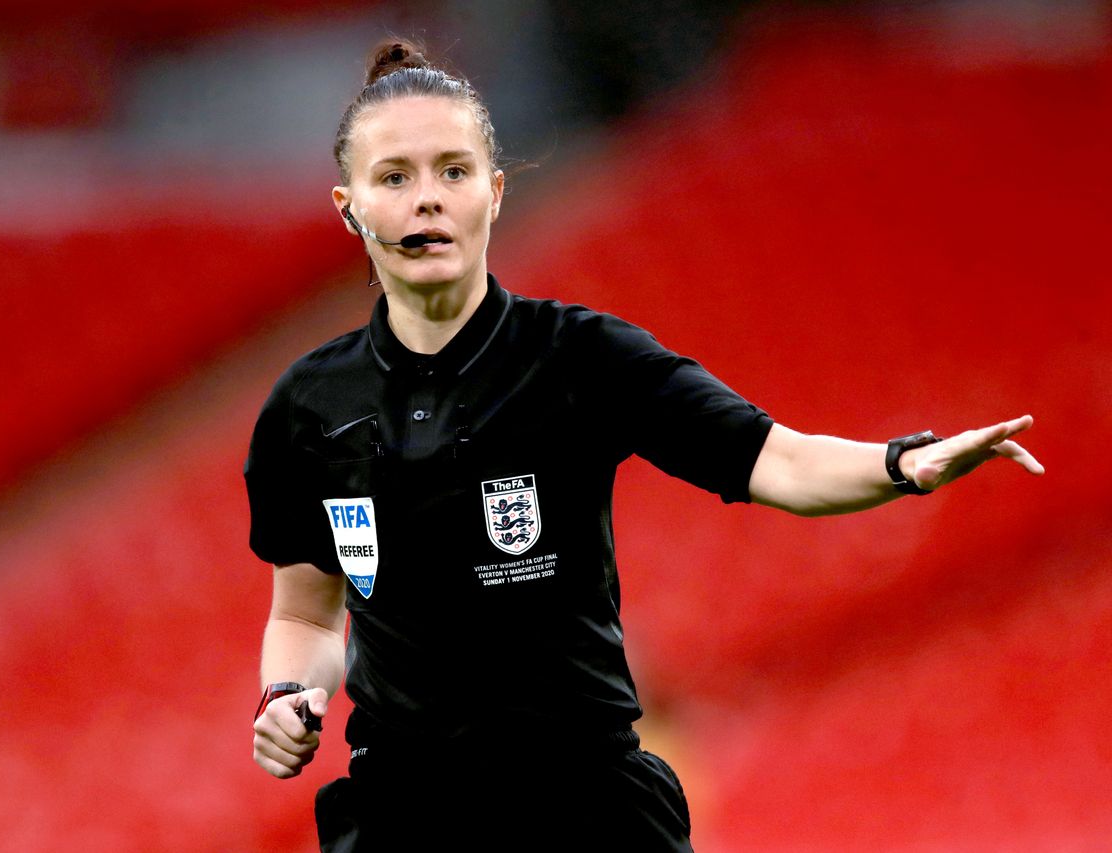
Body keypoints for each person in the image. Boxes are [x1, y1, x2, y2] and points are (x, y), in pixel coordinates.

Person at [245, 41, 1043, 852]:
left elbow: (778, 460)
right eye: (395, 178)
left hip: (587, 805)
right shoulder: (309, 405)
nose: (428, 201)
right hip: (405, 814)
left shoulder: (582, 357)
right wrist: (287, 692)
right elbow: (305, 612)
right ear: (350, 205)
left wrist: (901, 464)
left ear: (494, 191)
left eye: (453, 172)